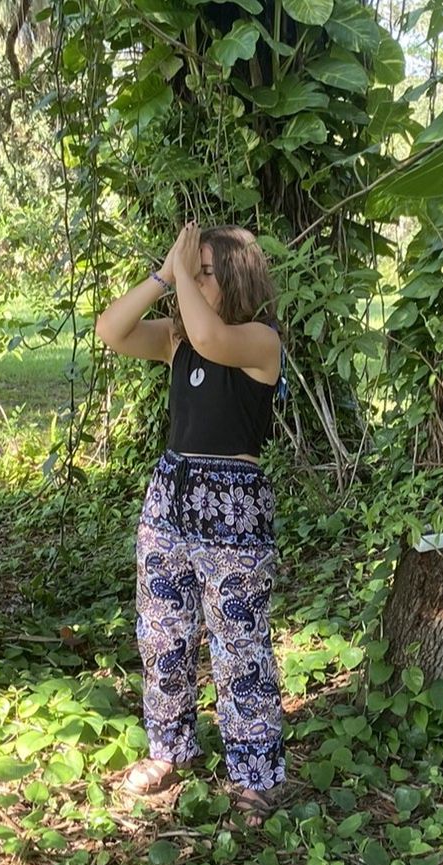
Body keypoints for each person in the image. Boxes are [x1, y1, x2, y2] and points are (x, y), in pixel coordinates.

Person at [95, 222, 285, 826]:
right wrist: (161, 275)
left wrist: (178, 272)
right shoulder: (180, 340)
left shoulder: (259, 340)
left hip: (233, 509)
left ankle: (255, 772)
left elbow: (211, 335)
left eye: (204, 272)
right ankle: (169, 748)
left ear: (235, 276)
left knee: (239, 643)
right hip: (170, 498)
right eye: (192, 270)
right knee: (163, 633)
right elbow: (111, 330)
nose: (193, 281)